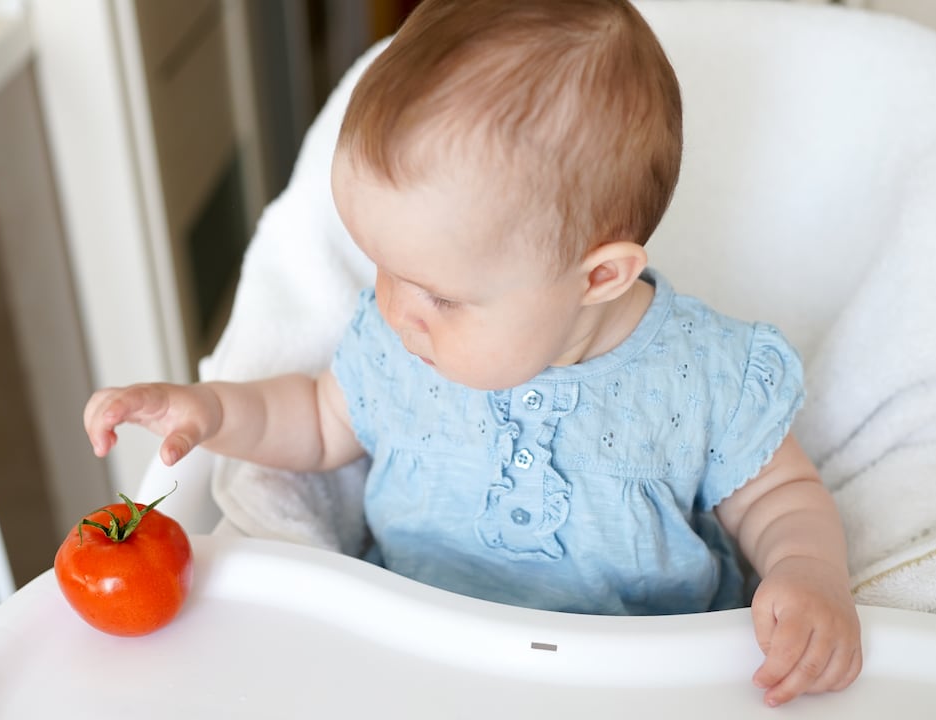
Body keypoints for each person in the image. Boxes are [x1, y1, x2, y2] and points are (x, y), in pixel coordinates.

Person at [84, 0, 861, 706]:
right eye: (384, 269)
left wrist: (808, 575)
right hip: (417, 663)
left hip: (639, 681)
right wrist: (212, 407)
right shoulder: (399, 347)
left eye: (442, 297)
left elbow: (778, 497)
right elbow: (318, 421)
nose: (396, 309)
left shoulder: (704, 376)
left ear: (599, 277)